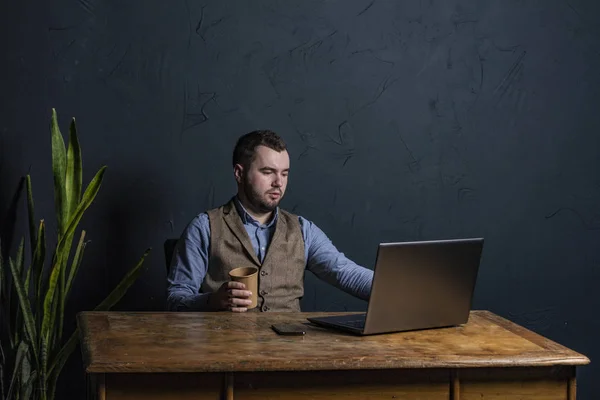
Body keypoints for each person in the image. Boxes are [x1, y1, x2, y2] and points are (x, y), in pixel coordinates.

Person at [166, 130, 373, 312]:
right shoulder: (205, 227)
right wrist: (212, 301)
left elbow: (345, 273)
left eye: (284, 173)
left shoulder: (302, 230)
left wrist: (396, 289)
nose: (278, 183)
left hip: (290, 350)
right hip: (227, 349)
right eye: (268, 172)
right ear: (239, 173)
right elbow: (175, 299)